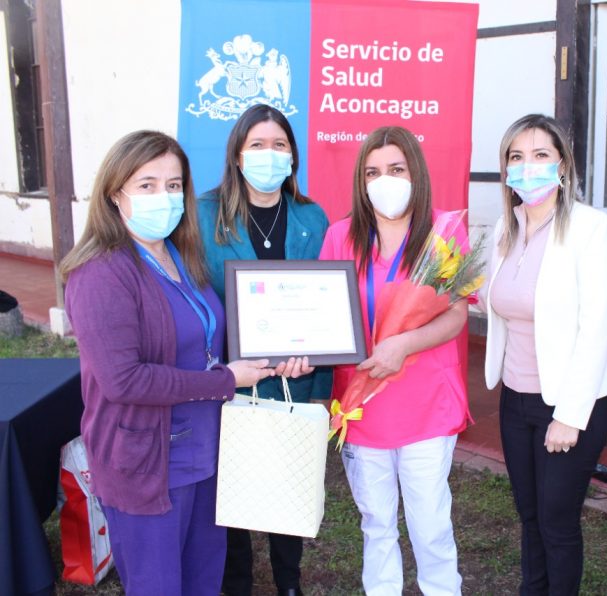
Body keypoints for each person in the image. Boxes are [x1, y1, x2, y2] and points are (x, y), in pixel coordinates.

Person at [61, 130, 307, 595]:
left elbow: (207, 337)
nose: (165, 196)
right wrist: (225, 381)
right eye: (147, 185)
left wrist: (277, 352)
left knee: (203, 582)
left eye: (174, 186)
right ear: (116, 196)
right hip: (147, 466)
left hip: (205, 457)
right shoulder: (100, 273)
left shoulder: (180, 256)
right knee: (157, 586)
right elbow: (123, 381)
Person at [319, 125, 469, 596]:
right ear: (361, 182)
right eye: (373, 172)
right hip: (363, 406)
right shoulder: (341, 236)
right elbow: (323, 310)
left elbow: (457, 314)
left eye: (396, 169)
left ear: (416, 174)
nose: (385, 179)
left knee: (430, 526)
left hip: (427, 405)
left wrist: (405, 344)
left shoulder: (444, 233)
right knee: (376, 523)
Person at [482, 114, 607, 595]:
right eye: (516, 157)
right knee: (530, 517)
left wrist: (570, 415)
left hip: (567, 404)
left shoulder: (590, 228)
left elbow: (595, 328)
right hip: (515, 400)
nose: (528, 167)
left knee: (558, 526)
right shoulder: (505, 227)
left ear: (562, 163)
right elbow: (499, 301)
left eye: (540, 155)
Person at [196, 104, 329, 596]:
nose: (268, 155)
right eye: (257, 145)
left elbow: (327, 307)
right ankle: (238, 586)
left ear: (293, 157)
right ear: (236, 154)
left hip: (293, 380)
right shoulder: (203, 214)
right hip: (225, 380)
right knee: (233, 490)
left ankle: (289, 583)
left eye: (279, 145)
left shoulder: (312, 218)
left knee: (287, 483)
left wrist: (318, 377)